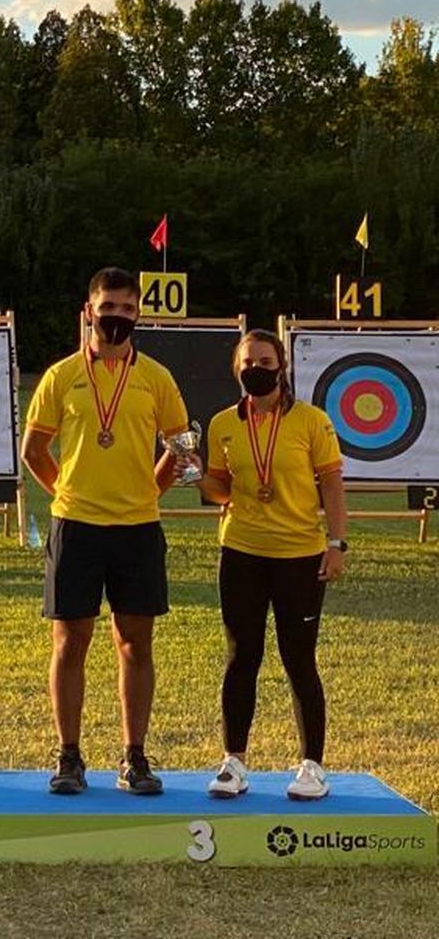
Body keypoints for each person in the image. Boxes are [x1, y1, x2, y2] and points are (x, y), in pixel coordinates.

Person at [21, 267, 190, 795]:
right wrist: (68, 492)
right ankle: (68, 756)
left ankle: (134, 757)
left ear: (137, 315)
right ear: (88, 312)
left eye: (125, 309)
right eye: (106, 307)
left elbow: (180, 449)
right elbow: (33, 450)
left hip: (138, 528)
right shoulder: (60, 376)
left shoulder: (157, 378)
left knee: (136, 645)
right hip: (76, 526)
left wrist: (147, 491)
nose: (115, 317)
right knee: (70, 642)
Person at [197, 330, 348, 801]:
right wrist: (194, 475)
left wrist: (337, 542)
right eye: (247, 361)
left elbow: (333, 485)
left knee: (298, 659)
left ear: (281, 366)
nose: (256, 368)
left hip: (299, 556)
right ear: (236, 368)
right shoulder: (223, 423)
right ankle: (234, 762)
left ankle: (311, 766)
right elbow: (217, 489)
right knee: (241, 657)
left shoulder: (311, 422)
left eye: (265, 359)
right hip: (241, 552)